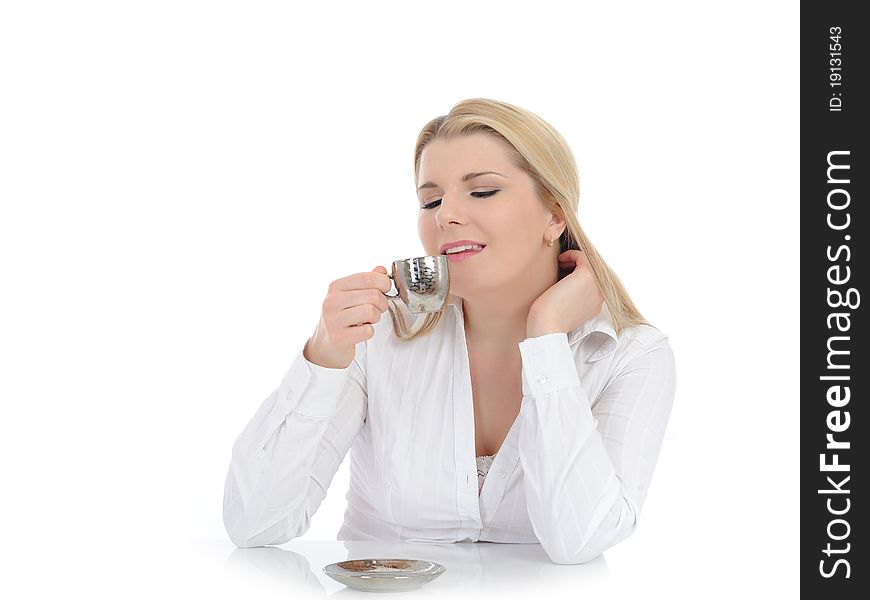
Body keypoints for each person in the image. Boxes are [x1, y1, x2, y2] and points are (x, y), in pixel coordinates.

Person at [222, 98, 676, 565]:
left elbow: (581, 540)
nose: (444, 215)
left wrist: (547, 339)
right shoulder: (377, 336)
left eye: (481, 192)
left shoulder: (633, 355)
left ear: (555, 215)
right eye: (430, 200)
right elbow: (253, 523)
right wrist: (323, 356)